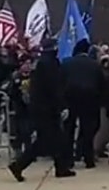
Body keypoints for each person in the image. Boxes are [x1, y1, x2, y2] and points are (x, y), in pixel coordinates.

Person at [8, 38, 74, 180]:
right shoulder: (49, 64)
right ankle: (19, 165)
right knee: (45, 141)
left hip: (41, 108)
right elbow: (54, 88)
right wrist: (61, 106)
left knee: (57, 139)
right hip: (47, 109)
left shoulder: (41, 63)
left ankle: (61, 167)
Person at [61, 40, 104, 168]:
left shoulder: (66, 63)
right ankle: (87, 157)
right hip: (90, 100)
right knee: (88, 130)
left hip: (70, 99)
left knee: (68, 130)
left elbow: (61, 81)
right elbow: (101, 83)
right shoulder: (95, 65)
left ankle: (68, 159)